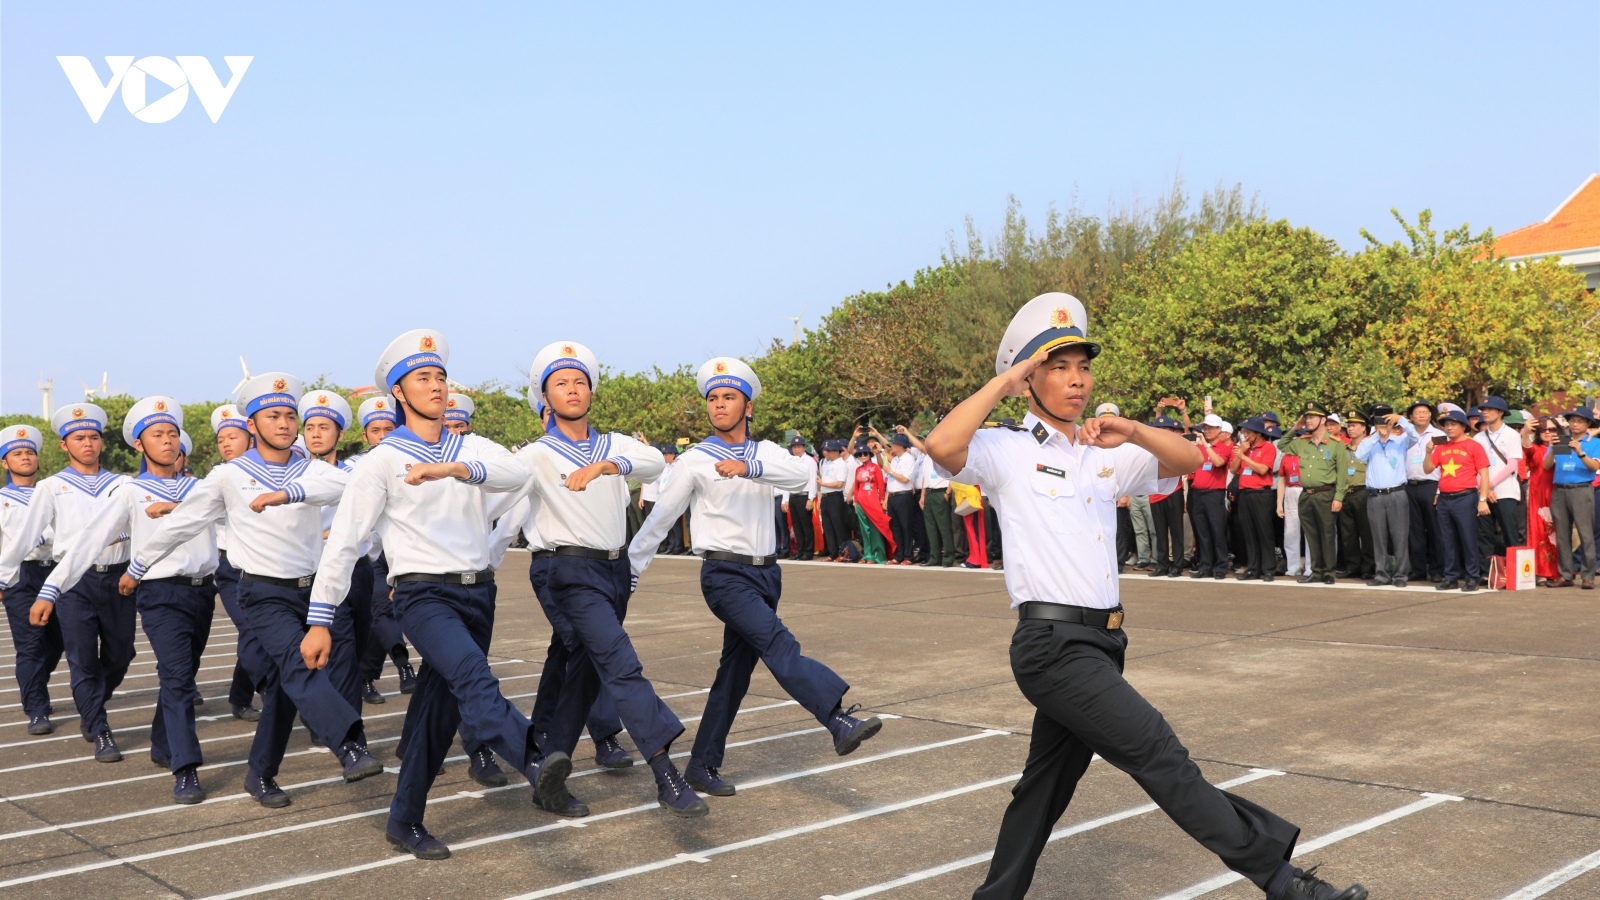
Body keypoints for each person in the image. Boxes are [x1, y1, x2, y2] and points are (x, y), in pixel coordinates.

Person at [923, 292, 1363, 900]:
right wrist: (1002, 383)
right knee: (1160, 754)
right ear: (1028, 380)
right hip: (1052, 645)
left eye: (1083, 366)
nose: (1077, 380)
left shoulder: (1108, 453)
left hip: (1103, 640)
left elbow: (1187, 460)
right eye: (1058, 368)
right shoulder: (1007, 450)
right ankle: (1281, 880)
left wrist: (1130, 429)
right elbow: (941, 447)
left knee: (1043, 789)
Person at [298, 329, 538, 858]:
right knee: (474, 677)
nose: (436, 386)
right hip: (422, 594)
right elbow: (344, 543)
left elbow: (519, 473)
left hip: (479, 592)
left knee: (438, 713)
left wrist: (459, 474)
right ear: (399, 395)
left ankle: (404, 820)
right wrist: (319, 618)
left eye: (441, 377)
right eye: (422, 378)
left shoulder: (471, 448)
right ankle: (536, 759)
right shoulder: (380, 461)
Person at [629, 356, 882, 797]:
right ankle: (836, 717)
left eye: (729, 397)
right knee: (779, 644)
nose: (719, 405)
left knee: (734, 675)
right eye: (713, 398)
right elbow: (660, 519)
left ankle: (702, 764)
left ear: (747, 407)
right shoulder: (694, 460)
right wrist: (629, 571)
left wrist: (749, 468)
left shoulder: (764, 453)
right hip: (724, 575)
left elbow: (800, 476)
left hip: (767, 574)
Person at [128, 373, 383, 807]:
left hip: (314, 592)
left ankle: (260, 773)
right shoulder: (229, 475)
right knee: (300, 666)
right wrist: (138, 566)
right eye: (272, 416)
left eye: (289, 416)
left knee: (286, 688)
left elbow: (353, 486)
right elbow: (182, 522)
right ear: (252, 424)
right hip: (264, 594)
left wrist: (292, 491)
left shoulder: (313, 468)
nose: (284, 424)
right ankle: (350, 744)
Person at [512, 340, 705, 820]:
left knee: (585, 666)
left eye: (580, 381)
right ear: (545, 397)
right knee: (620, 663)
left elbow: (657, 463)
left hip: (614, 569)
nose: (572, 389)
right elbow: (497, 494)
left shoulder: (615, 444)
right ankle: (666, 773)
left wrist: (605, 465)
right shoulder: (535, 455)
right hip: (571, 571)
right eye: (561, 383)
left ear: (592, 391)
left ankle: (550, 769)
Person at [40, 397, 218, 801]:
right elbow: (89, 542)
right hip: (159, 594)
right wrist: (51, 589)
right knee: (176, 678)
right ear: (140, 445)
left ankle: (161, 741)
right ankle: (185, 768)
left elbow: (236, 520)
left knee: (183, 676)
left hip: (203, 593)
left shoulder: (203, 488)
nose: (168, 441)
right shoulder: (128, 493)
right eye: (158, 435)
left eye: (173, 433)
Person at [0, 403, 133, 761]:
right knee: (82, 657)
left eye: (93, 437)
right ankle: (98, 726)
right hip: (73, 583)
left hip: (118, 579)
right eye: (78, 438)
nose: (87, 443)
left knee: (122, 654)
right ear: (64, 445)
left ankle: (90, 702)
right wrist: (2, 577)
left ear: (102, 442)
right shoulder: (51, 486)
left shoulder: (124, 484)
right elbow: (26, 536)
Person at [352, 396, 419, 699]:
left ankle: (367, 677)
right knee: (379, 612)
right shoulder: (354, 467)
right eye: (375, 430)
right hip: (369, 556)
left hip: (400, 551)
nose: (382, 436)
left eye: (388, 429)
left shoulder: (413, 463)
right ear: (364, 436)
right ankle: (403, 664)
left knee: (377, 616)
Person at [0, 425, 65, 736]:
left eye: (29, 452)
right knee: (31, 645)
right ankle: (37, 709)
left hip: (57, 571)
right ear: (5, 463)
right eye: (17, 453)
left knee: (60, 640)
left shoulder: (53, 492)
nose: (25, 457)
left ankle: (35, 684)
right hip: (21, 576)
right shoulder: (2, 499)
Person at [206, 404, 266, 722]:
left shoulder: (270, 472)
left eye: (234, 436)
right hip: (232, 570)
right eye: (222, 439)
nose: (226, 443)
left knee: (254, 633)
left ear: (251, 437)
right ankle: (269, 690)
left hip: (267, 565)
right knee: (252, 629)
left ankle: (239, 698)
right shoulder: (218, 478)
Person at [1275, 403, 1349, 584]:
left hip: (1325, 493)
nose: (1308, 420)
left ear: (1323, 420)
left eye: (1312, 417)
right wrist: (1295, 427)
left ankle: (1329, 573)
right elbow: (1283, 445)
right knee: (1311, 535)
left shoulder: (1335, 444)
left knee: (1328, 534)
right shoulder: (1302, 442)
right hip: (1306, 494)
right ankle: (1316, 572)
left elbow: (1342, 473)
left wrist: (1338, 497)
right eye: (1306, 417)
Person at [1424, 408, 1493, 591]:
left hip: (1466, 497)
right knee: (1447, 539)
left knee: (1468, 538)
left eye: (1453, 424)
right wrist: (1427, 452)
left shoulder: (1473, 446)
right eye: (1446, 425)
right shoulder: (1441, 447)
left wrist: (1483, 499)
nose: (1449, 428)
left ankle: (1472, 577)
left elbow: (1484, 475)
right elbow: (1428, 469)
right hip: (1445, 499)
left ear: (1463, 426)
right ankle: (1451, 576)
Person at [1354, 408, 1414, 587]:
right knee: (1378, 538)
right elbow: (1359, 455)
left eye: (1386, 423)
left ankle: (1400, 575)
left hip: (1396, 493)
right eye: (1379, 422)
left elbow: (1416, 436)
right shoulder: (1370, 442)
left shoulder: (1400, 440)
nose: (1383, 426)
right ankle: (1381, 574)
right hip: (1375, 496)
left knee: (1400, 537)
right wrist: (1375, 435)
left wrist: (1401, 420)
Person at [1544, 406, 1600, 589]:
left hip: (1581, 489)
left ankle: (1588, 575)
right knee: (1562, 534)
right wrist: (1552, 449)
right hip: (1560, 489)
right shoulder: (1561, 440)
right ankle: (1566, 574)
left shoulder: (1594, 443)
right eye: (1572, 420)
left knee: (1585, 533)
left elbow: (1593, 467)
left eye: (1579, 421)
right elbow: (1546, 466)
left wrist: (1580, 452)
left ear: (1588, 423)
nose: (1574, 424)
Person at [1474, 396, 1525, 575]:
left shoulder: (1512, 435)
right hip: (1483, 494)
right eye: (1483, 410)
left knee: (1510, 533)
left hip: (1505, 492)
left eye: (1489, 410)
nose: (1485, 413)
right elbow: (1475, 467)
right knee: (1484, 535)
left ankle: (1515, 573)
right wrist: (1484, 490)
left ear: (1501, 412)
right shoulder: (1479, 437)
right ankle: (1487, 574)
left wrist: (1490, 486)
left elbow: (1512, 465)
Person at [1402, 400, 1446, 583]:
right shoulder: (1404, 436)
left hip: (1431, 486)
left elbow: (1446, 464)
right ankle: (1418, 569)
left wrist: (1440, 490)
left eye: (1425, 412)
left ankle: (1436, 569)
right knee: (1414, 531)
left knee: (1435, 530)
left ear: (1430, 415)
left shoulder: (1439, 435)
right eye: (1417, 412)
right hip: (1409, 486)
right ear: (1410, 417)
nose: (1421, 415)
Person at [1231, 418, 1279, 581]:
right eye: (1243, 433)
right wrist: (1242, 453)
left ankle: (1268, 569)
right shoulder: (1243, 448)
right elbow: (1232, 468)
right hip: (1244, 493)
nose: (1245, 436)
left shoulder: (1268, 448)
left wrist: (1244, 457)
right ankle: (1253, 568)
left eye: (1248, 433)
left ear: (1258, 433)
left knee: (1264, 532)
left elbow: (1262, 469)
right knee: (1248, 532)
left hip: (1261, 494)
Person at [1188, 412, 1233, 579]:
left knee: (1217, 531)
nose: (1206, 430)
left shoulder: (1224, 448)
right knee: (1202, 532)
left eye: (1210, 428)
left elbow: (1219, 462)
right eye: (1205, 427)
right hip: (1198, 493)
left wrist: (1206, 446)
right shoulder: (1199, 447)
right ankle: (1205, 566)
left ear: (1219, 429)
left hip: (1215, 494)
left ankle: (1221, 566)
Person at [907, 428, 955, 567]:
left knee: (944, 527)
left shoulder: (943, 454)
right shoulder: (926, 458)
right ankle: (935, 557)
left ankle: (948, 556)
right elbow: (925, 479)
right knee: (931, 528)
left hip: (941, 492)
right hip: (928, 493)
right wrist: (922, 496)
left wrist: (947, 492)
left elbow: (953, 475)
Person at [1145, 415, 1187, 577]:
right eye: (1159, 429)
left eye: (1165, 429)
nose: (1162, 432)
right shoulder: (1149, 447)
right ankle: (1162, 564)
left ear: (1171, 431)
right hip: (1155, 493)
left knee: (1176, 532)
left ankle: (1177, 565)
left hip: (1173, 492)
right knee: (1160, 532)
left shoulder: (1176, 446)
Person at [1335, 411, 1374, 580]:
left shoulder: (1371, 447)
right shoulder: (1343, 448)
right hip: (1346, 493)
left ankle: (1368, 568)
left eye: (1354, 425)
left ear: (1364, 428)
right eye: (1348, 426)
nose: (1350, 429)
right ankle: (1352, 567)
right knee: (1348, 533)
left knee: (1366, 533)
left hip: (1363, 491)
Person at [1522, 417, 1560, 586]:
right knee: (1539, 533)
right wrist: (1525, 431)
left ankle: (1559, 570)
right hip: (1538, 495)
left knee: (1558, 533)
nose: (1547, 432)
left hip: (1559, 493)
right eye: (1543, 429)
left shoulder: (1564, 447)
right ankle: (1540, 572)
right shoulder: (1535, 448)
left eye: (1552, 429)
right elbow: (1526, 447)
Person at [847, 443, 895, 564]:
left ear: (869, 454)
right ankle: (868, 555)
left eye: (865, 454)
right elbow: (856, 487)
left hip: (873, 499)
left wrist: (882, 500)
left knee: (875, 528)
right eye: (860, 454)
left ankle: (878, 554)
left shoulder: (875, 467)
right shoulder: (858, 469)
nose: (862, 456)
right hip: (861, 500)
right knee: (864, 529)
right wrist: (856, 500)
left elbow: (881, 485)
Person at [885, 433, 925, 565]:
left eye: (894, 444)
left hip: (904, 495)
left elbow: (905, 479)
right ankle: (899, 554)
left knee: (906, 526)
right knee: (895, 527)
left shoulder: (908, 459)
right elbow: (885, 470)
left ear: (900, 446)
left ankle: (908, 555)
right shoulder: (895, 459)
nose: (891, 446)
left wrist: (890, 471)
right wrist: (878, 452)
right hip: (893, 495)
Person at [817, 440, 852, 560]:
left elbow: (839, 484)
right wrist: (821, 496)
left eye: (829, 451)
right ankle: (832, 553)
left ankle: (843, 552)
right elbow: (823, 483)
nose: (826, 453)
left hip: (835, 497)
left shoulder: (841, 464)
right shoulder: (826, 463)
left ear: (837, 451)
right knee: (827, 527)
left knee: (838, 526)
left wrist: (823, 483)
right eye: (825, 450)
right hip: (826, 496)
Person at [786, 435, 818, 561]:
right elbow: (788, 480)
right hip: (793, 495)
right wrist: (786, 498)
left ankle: (808, 551)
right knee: (797, 525)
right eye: (794, 447)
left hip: (804, 496)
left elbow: (812, 481)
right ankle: (800, 550)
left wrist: (811, 498)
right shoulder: (791, 461)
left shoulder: (810, 461)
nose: (797, 450)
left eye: (799, 447)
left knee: (806, 525)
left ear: (804, 447)